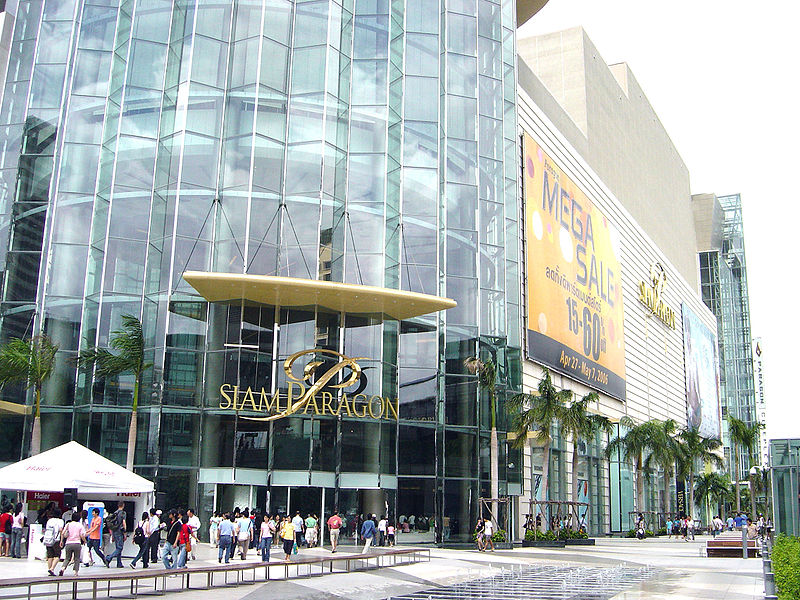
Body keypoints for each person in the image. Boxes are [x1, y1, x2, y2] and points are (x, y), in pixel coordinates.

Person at [104, 502, 127, 568]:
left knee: (118, 547)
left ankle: (119, 563)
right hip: (120, 531)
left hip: (114, 531)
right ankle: (108, 558)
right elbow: (123, 522)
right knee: (120, 548)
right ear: (123, 505)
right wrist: (125, 532)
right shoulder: (123, 513)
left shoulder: (115, 513)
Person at [43, 509, 64, 576]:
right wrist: (61, 540)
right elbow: (61, 530)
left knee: (50, 556)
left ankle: (49, 569)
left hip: (48, 539)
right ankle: (52, 568)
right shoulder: (60, 521)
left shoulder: (49, 520)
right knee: (57, 555)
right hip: (56, 540)